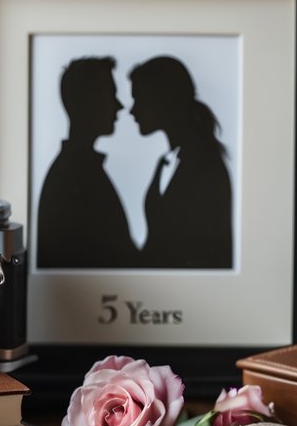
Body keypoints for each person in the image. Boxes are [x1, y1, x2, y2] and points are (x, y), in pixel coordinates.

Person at [129, 56, 232, 269]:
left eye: (139, 99)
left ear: (160, 100)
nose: (132, 110)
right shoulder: (164, 162)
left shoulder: (205, 165)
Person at [36, 57, 137, 268]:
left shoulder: (77, 169)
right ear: (90, 101)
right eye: (111, 95)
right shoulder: (74, 175)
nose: (119, 106)